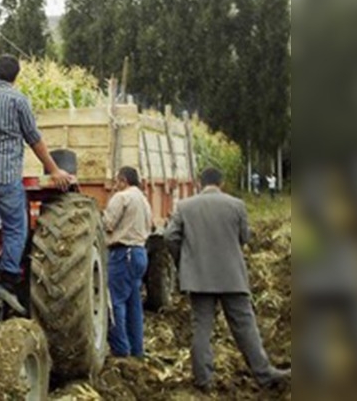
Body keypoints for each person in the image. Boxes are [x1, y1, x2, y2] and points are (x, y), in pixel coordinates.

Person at [163, 167, 290, 390]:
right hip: (232, 275)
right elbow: (244, 237)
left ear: (200, 183)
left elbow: (169, 236)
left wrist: (184, 261)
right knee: (245, 325)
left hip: (199, 278)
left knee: (202, 327)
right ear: (221, 183)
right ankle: (264, 373)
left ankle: (203, 379)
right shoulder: (236, 205)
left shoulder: (185, 206)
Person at [0, 55, 75, 313]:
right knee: (17, 226)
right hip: (5, 175)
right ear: (16, 76)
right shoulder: (17, 100)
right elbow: (34, 139)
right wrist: (54, 169)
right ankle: (8, 277)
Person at [103, 166, 152, 357]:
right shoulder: (144, 200)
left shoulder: (122, 197)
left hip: (123, 253)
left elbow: (107, 224)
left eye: (117, 182)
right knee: (134, 305)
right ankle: (137, 351)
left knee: (115, 303)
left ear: (123, 180)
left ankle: (121, 351)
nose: (115, 186)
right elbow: (150, 225)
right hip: (140, 253)